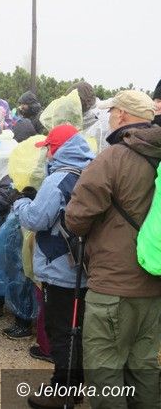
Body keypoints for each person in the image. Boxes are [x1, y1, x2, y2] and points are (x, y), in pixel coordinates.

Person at [66, 90, 161, 408]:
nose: (108, 118)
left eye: (111, 112)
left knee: (104, 370)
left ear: (121, 115)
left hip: (113, 285)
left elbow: (76, 218)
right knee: (143, 368)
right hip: (153, 285)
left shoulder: (113, 157)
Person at [12, 124, 94, 409]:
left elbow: (36, 219)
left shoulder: (58, 179)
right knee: (77, 330)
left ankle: (62, 392)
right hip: (86, 266)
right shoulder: (91, 172)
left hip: (60, 268)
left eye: (48, 147)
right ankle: (75, 387)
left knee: (60, 331)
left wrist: (21, 202)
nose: (46, 152)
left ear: (57, 149)